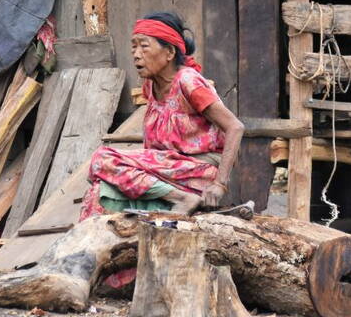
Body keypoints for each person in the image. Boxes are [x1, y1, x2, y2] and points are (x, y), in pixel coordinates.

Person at [79, 12, 245, 219]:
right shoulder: (151, 86)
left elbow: (235, 127)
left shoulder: (189, 82)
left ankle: (183, 198)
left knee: (102, 158)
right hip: (165, 171)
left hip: (196, 172)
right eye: (134, 46)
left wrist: (220, 184)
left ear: (169, 52)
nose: (136, 54)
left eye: (144, 46)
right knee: (98, 191)